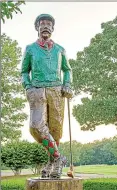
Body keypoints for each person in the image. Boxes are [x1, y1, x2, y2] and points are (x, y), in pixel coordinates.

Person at [21, 14, 73, 179]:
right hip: (37, 90)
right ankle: (59, 158)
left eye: (49, 24)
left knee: (56, 130)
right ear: (37, 27)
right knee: (36, 126)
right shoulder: (30, 49)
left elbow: (67, 70)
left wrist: (68, 85)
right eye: (42, 24)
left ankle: (52, 163)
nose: (45, 27)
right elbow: (24, 71)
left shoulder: (60, 49)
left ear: (53, 28)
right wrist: (28, 86)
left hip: (56, 91)